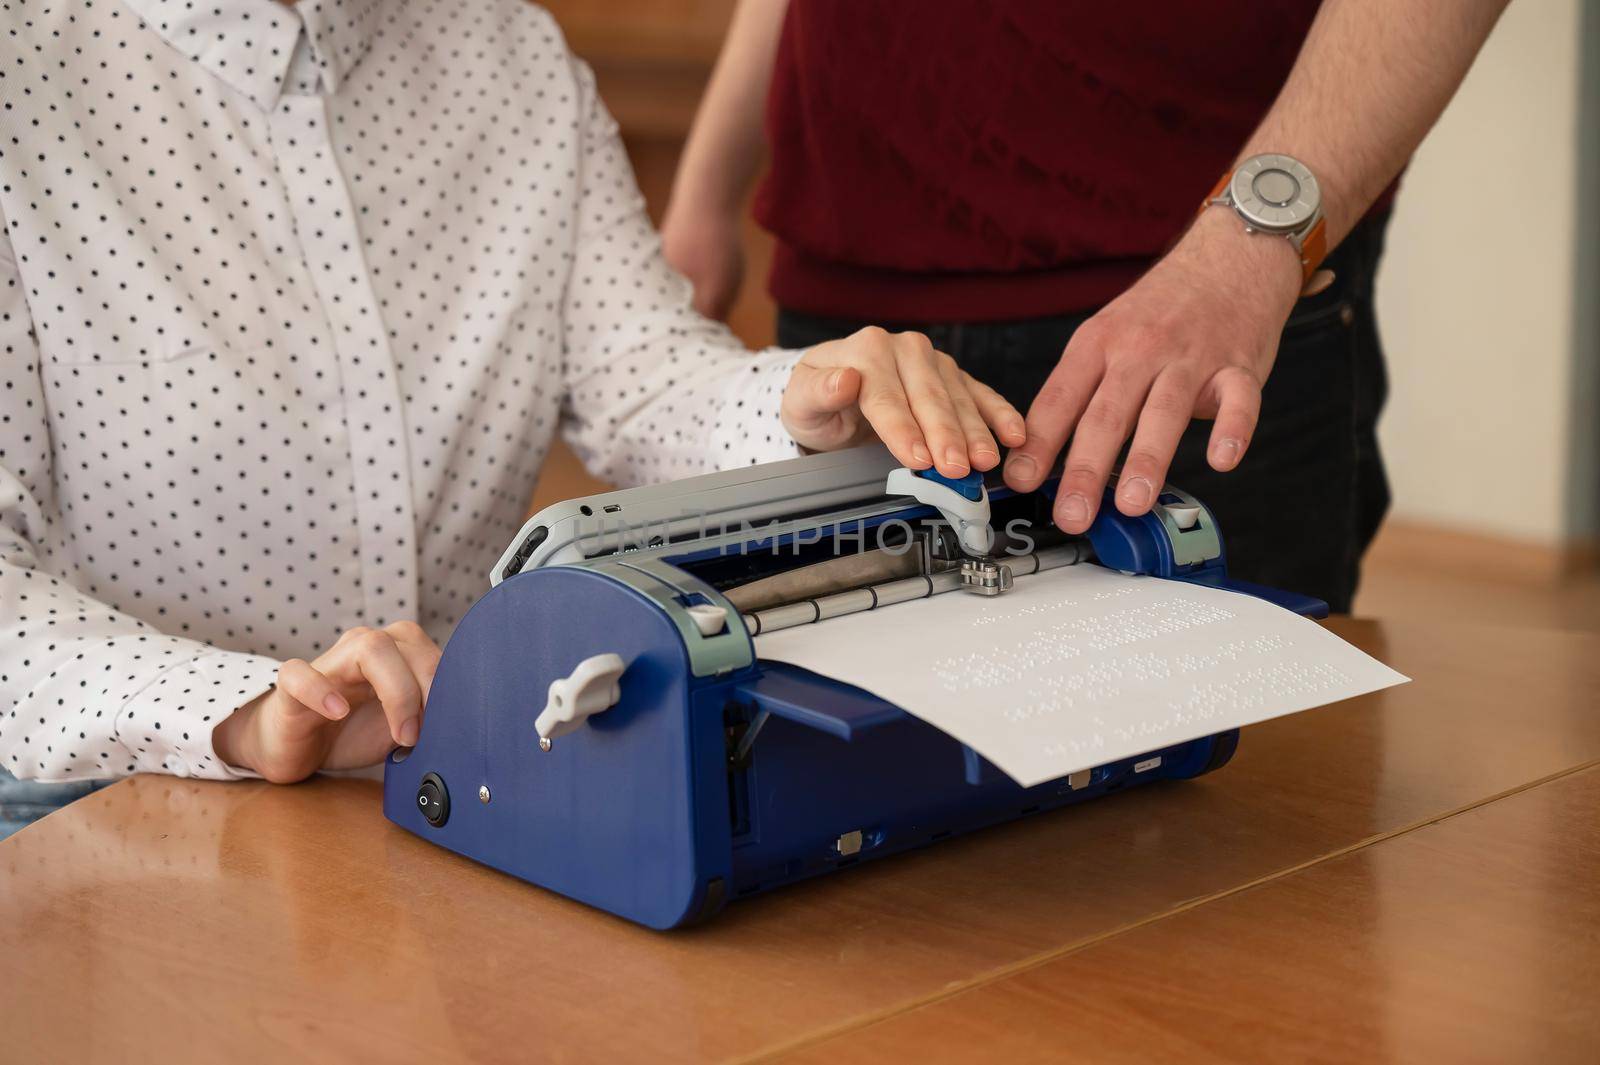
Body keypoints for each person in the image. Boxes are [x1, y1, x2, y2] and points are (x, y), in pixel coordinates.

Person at [0, 0, 1026, 828]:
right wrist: (241, 714)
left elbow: (644, 381)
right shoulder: (25, 75)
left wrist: (811, 398)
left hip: (468, 782)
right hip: (100, 808)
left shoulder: (513, 54)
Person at [663, 0, 1509, 615]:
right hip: (853, 313)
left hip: (1180, 324)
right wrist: (707, 185)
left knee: (1235, 814)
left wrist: (1241, 254)